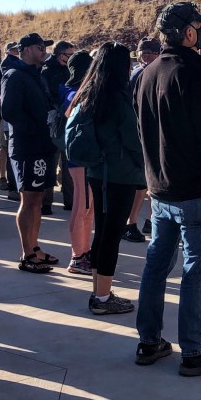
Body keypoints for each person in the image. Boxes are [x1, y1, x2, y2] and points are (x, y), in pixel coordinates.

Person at [134, 2, 201, 376]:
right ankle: (193, 350)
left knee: (156, 267)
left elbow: (144, 134)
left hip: (161, 191)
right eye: (198, 27)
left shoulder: (146, 75)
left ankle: (149, 340)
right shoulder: (191, 74)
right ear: (189, 34)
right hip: (195, 192)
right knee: (196, 271)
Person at [68, 42, 143, 314]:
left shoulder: (90, 93)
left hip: (97, 172)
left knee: (102, 232)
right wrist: (145, 164)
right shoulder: (118, 98)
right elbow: (133, 141)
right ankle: (102, 298)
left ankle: (99, 292)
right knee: (111, 235)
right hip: (119, 174)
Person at [1, 33, 58, 273]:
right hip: (27, 148)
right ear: (25, 49)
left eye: (44, 47)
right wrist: (35, 129)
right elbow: (9, 112)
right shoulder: (14, 76)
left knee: (38, 200)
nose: (43, 50)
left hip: (42, 147)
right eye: (38, 47)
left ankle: (35, 248)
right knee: (29, 199)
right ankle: (27, 254)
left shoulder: (38, 76)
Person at [123, 38, 161, 242]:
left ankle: (148, 220)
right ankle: (130, 224)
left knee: (146, 184)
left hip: (144, 134)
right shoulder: (144, 73)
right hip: (143, 136)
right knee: (142, 184)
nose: (146, 56)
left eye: (149, 53)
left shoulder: (139, 72)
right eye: (144, 53)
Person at [64, 50, 94, 274]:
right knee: (81, 205)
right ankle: (77, 255)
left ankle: (84, 250)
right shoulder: (76, 93)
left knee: (88, 206)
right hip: (81, 157)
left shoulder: (74, 91)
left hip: (83, 157)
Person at [43, 40, 75, 210]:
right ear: (59, 55)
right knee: (51, 163)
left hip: (66, 122)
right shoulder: (46, 71)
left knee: (68, 163)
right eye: (68, 55)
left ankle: (69, 200)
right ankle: (46, 202)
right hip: (53, 122)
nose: (70, 59)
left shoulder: (69, 71)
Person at [0, 42, 19, 196]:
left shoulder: (22, 67)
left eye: (17, 50)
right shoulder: (1, 68)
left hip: (15, 116)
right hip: (7, 117)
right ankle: (10, 183)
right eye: (13, 50)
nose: (16, 52)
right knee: (7, 148)